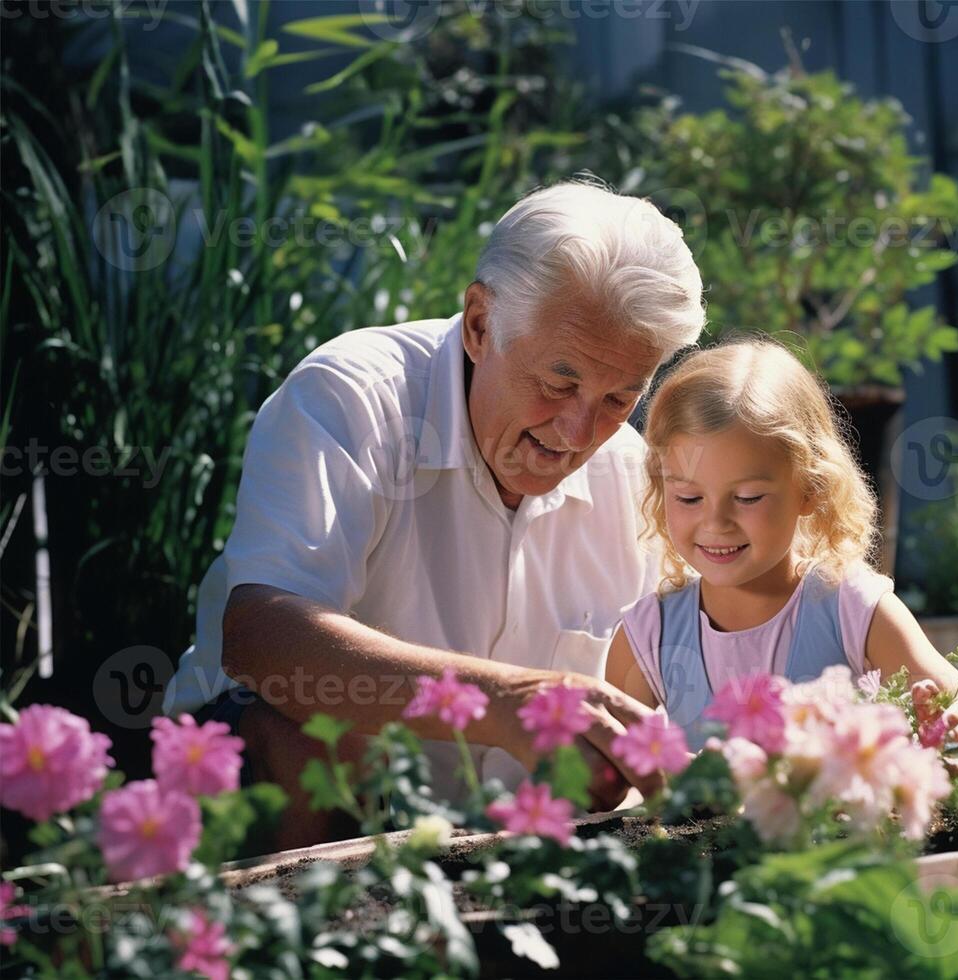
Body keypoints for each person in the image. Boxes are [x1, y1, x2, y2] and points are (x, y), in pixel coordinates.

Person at [160, 179, 704, 847]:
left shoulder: (631, 474)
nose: (576, 430)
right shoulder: (352, 398)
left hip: (495, 854)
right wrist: (502, 699)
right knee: (305, 739)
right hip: (273, 837)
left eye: (619, 398)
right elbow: (260, 637)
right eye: (557, 383)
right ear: (480, 325)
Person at [606, 338, 958, 746]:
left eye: (748, 497)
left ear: (810, 489)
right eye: (689, 498)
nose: (716, 522)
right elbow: (599, 778)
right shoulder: (650, 636)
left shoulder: (853, 609)